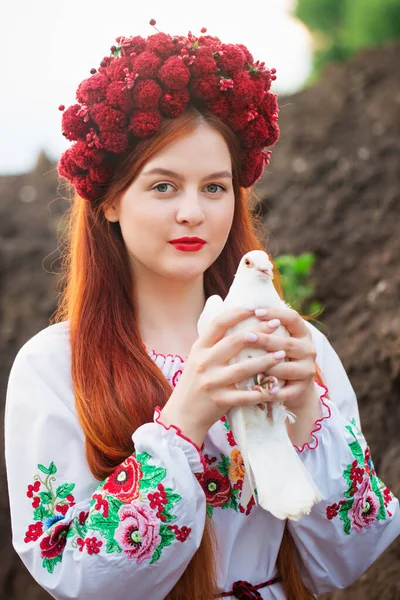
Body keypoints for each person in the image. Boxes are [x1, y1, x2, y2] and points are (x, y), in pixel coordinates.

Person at [4, 22, 399, 600]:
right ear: (111, 200)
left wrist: (308, 409)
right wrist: (183, 423)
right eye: (163, 187)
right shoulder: (52, 367)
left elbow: (355, 553)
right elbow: (75, 576)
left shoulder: (290, 344)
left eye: (214, 188)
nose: (193, 212)